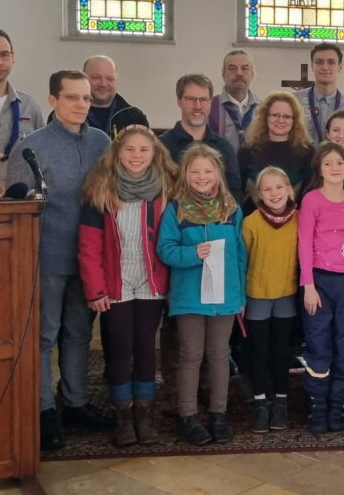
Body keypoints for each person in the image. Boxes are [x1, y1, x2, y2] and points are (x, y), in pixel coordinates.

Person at [6, 70, 112, 451]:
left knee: (79, 334)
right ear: (53, 101)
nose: (81, 104)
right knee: (45, 336)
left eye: (85, 98)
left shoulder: (102, 141)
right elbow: (18, 208)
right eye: (72, 97)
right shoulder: (30, 147)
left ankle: (76, 402)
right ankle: (43, 409)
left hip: (89, 257)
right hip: (46, 255)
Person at [78, 125, 178, 447]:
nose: (137, 156)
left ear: (155, 153)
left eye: (144, 150)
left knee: (146, 349)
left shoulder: (166, 190)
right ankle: (123, 416)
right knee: (120, 350)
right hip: (114, 285)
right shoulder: (101, 191)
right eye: (130, 150)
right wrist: (95, 289)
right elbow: (89, 247)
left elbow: (173, 239)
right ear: (117, 153)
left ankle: (143, 415)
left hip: (151, 284)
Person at [156, 143, 247, 446]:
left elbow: (241, 256)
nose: (202, 176)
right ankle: (189, 416)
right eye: (195, 171)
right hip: (189, 295)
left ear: (218, 174)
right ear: (185, 174)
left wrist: (241, 296)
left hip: (225, 295)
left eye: (208, 171)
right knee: (191, 355)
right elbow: (165, 249)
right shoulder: (176, 208)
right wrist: (192, 254)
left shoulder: (232, 209)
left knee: (220, 355)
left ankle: (218, 415)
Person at [297, 142, 344, 433]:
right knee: (318, 346)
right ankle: (318, 405)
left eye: (339, 162)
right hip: (319, 282)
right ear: (319, 169)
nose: (334, 168)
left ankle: (338, 405)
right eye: (328, 163)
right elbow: (303, 244)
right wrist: (308, 285)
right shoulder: (312, 200)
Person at [242, 166, 299, 434]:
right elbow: (243, 261)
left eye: (279, 187)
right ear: (259, 194)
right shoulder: (251, 222)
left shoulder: (300, 219)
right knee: (258, 351)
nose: (274, 193)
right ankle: (260, 402)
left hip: (286, 295)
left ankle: (281, 401)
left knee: (281, 352)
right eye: (267, 189)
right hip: (257, 296)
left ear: (289, 189)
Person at [160, 74, 242, 201]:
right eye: (190, 99)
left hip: (219, 220)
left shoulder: (224, 147)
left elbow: (234, 194)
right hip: (174, 219)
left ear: (210, 102)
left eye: (203, 99)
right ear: (179, 101)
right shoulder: (161, 146)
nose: (197, 106)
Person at [238, 90, 314, 214]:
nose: (280, 120)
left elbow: (310, 195)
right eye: (275, 115)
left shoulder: (308, 152)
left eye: (287, 116)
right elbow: (237, 192)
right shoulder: (247, 151)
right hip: (253, 224)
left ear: (295, 120)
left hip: (294, 225)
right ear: (265, 116)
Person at [0, 27, 42, 183]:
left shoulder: (29, 106)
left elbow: (42, 155)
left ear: (13, 57)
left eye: (4, 55)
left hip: (21, 202)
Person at [80, 55, 149, 138]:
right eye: (96, 77)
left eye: (110, 79)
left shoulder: (135, 118)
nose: (103, 84)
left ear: (117, 81)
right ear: (83, 79)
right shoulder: (69, 115)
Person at [296, 43, 344, 144]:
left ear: (340, 67)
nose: (325, 67)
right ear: (312, 66)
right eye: (319, 62)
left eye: (331, 62)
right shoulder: (295, 101)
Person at [210, 49, 261, 153]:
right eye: (232, 68)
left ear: (252, 74)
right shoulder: (209, 107)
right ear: (223, 74)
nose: (239, 73)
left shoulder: (264, 109)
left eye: (245, 68)